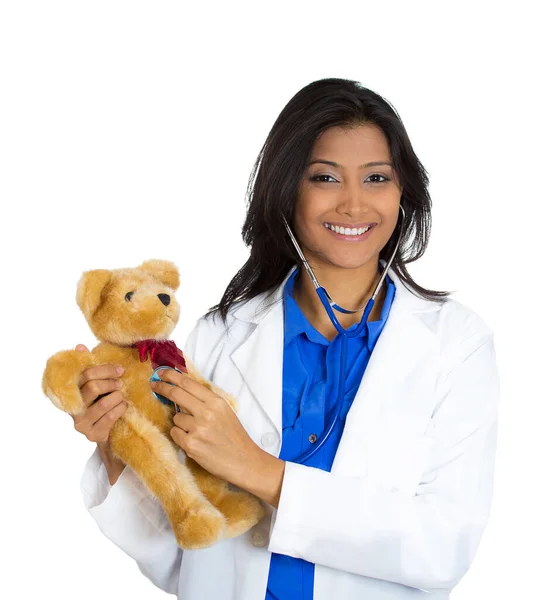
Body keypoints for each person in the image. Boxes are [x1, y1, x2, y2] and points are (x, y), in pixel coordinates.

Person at [71, 78, 500, 599]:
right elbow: (182, 552)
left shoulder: (455, 344)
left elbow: (442, 547)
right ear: (288, 187)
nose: (353, 203)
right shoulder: (220, 336)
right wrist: (117, 441)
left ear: (402, 191)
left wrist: (261, 472)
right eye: (325, 177)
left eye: (376, 178)